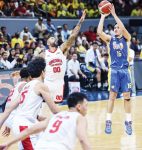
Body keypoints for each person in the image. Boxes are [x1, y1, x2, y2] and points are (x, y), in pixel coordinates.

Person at [0, 57, 60, 150]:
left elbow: (9, 108)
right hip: (24, 125)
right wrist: (70, 115)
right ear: (42, 72)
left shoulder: (26, 86)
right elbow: (55, 110)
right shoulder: (41, 86)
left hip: (25, 124)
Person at [0, 92, 91, 150]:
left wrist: (9, 143)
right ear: (79, 106)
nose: (87, 108)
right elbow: (83, 140)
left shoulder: (56, 116)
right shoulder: (79, 118)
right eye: (86, 105)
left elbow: (29, 130)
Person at [97, 4, 132, 135]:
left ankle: (128, 121)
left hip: (125, 71)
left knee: (127, 97)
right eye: (115, 28)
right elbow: (99, 32)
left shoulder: (127, 39)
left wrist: (114, 15)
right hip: (114, 70)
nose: (116, 29)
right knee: (112, 96)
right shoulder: (110, 40)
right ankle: (108, 121)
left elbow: (123, 27)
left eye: (118, 28)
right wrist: (102, 17)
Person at [43, 11, 86, 103]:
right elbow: (34, 67)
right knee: (45, 106)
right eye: (50, 38)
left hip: (59, 83)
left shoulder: (61, 49)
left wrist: (80, 22)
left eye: (53, 37)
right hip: (47, 83)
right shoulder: (44, 54)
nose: (53, 38)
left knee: (57, 106)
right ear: (47, 43)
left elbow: (73, 36)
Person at [1, 68, 31, 137]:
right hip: (15, 119)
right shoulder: (24, 85)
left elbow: (8, 104)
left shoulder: (16, 86)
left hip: (9, 118)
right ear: (30, 76)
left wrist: (8, 121)